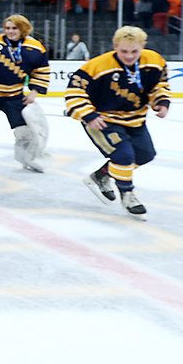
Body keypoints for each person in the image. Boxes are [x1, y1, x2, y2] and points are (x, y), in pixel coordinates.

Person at [66, 26, 170, 219]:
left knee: (146, 155)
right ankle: (128, 194)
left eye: (134, 51)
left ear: (142, 47)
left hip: (135, 119)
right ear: (115, 46)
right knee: (123, 155)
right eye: (123, 51)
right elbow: (74, 92)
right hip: (103, 119)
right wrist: (88, 115)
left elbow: (159, 85)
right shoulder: (97, 66)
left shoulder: (154, 61)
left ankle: (101, 176)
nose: (129, 56)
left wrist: (161, 102)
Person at [0, 13, 51, 173]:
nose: (10, 31)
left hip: (15, 96)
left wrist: (34, 91)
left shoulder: (35, 48)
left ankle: (30, 158)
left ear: (23, 29)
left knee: (27, 130)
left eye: (14, 28)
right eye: (7, 28)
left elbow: (42, 71)